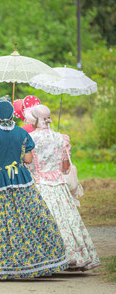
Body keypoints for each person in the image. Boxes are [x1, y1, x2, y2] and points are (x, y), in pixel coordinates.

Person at [0, 95, 68, 280]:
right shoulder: (23, 133)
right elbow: (28, 159)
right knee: (27, 220)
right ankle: (34, 261)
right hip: (21, 180)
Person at [26, 104, 101, 271]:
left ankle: (45, 259)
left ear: (34, 118)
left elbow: (27, 162)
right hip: (59, 186)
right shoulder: (61, 138)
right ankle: (72, 255)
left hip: (38, 185)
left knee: (42, 222)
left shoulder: (29, 138)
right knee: (67, 221)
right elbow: (65, 166)